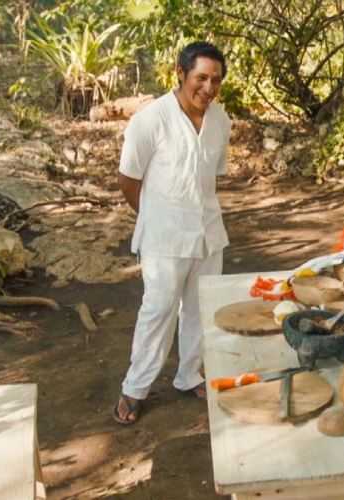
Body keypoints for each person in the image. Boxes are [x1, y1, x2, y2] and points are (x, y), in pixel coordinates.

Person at [113, 41, 232, 425]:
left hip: (208, 231)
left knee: (201, 307)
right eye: (201, 77)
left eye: (215, 80)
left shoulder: (221, 121)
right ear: (180, 74)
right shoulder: (150, 121)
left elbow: (210, 177)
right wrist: (155, 215)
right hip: (164, 236)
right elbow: (128, 180)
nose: (208, 88)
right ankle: (135, 388)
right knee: (158, 310)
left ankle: (189, 375)